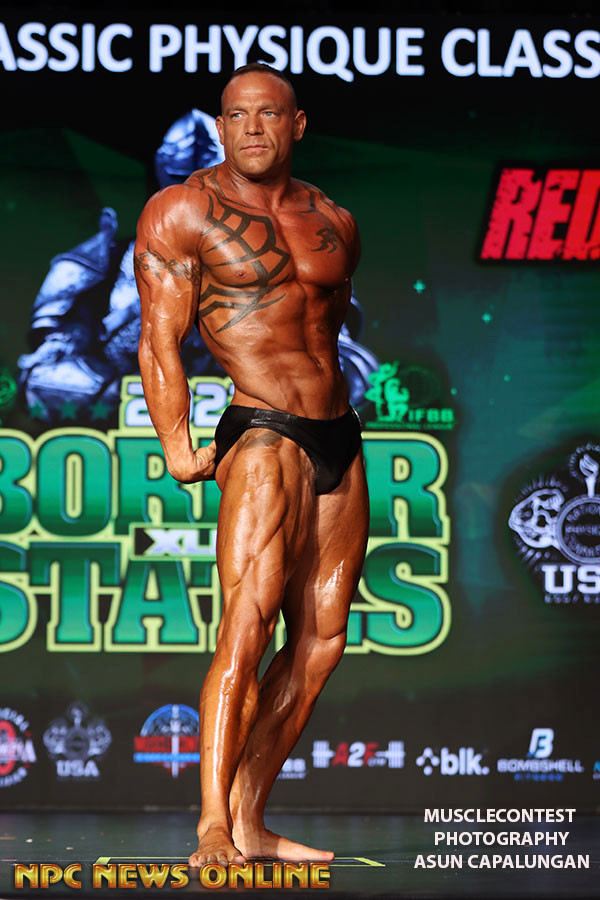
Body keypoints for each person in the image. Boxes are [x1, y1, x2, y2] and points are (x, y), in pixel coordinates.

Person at [134, 62, 369, 866]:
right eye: (238, 116)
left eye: (269, 114)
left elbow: (328, 327)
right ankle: (210, 828)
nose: (254, 128)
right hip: (263, 429)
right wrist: (175, 442)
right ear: (221, 127)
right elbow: (159, 339)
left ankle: (249, 819)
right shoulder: (182, 212)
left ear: (296, 126)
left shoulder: (333, 218)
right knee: (247, 623)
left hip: (339, 433)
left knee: (322, 642)